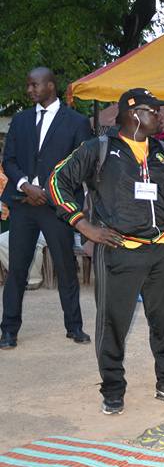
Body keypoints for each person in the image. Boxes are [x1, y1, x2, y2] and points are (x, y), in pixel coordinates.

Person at [48, 87, 164, 414]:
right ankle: (113, 390)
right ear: (135, 114)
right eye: (155, 110)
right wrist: (83, 224)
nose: (162, 116)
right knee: (113, 323)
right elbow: (57, 181)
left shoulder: (162, 151)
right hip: (120, 250)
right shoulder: (99, 149)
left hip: (163, 251)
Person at [1, 67, 92, 350]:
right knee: (17, 269)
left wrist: (49, 194)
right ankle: (8, 331)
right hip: (23, 204)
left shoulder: (77, 122)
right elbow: (10, 159)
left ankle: (74, 327)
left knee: (66, 268)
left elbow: (82, 166)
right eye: (29, 85)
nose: (29, 90)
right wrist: (26, 186)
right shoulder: (21, 120)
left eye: (34, 85)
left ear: (50, 86)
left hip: (57, 207)